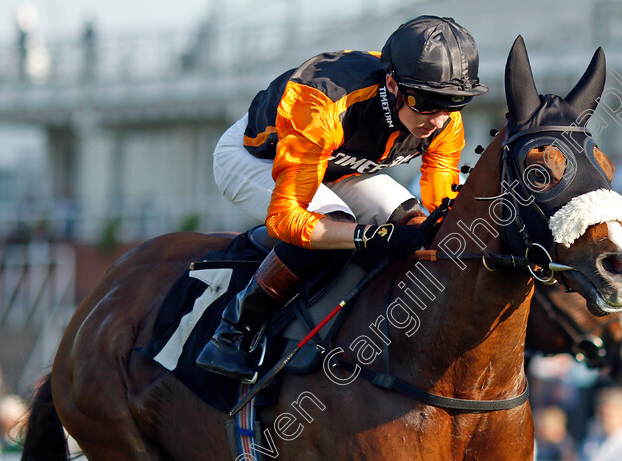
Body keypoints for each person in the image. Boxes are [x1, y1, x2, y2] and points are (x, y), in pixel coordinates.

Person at [196, 15, 488, 380]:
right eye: (425, 103)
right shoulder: (322, 103)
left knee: (412, 218)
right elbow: (286, 219)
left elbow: (441, 206)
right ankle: (234, 331)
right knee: (336, 223)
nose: (438, 120)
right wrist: (369, 236)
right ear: (394, 85)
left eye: (452, 103)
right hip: (254, 158)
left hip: (337, 165)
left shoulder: (444, 121)